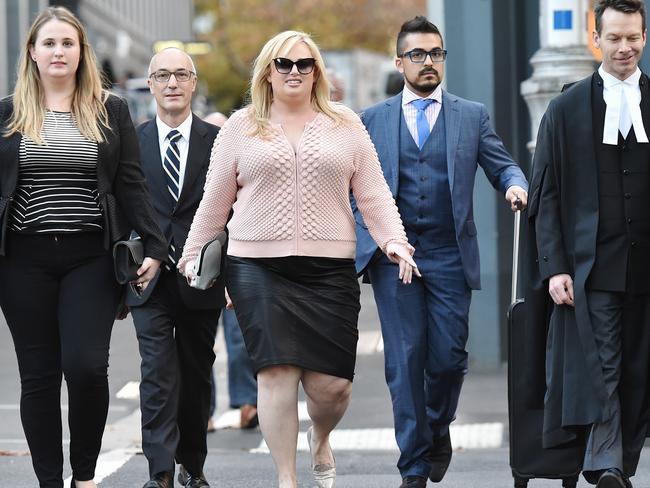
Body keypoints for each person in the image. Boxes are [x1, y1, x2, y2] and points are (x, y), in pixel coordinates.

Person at [180, 30, 418, 488]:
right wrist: (194, 255)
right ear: (268, 72)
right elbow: (215, 201)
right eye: (283, 64)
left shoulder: (345, 124)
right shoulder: (240, 126)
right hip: (255, 267)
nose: (293, 72)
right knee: (276, 373)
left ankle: (321, 436)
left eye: (303, 64)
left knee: (332, 389)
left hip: (328, 269)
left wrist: (394, 242)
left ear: (316, 73)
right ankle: (287, 480)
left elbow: (373, 194)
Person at [353, 16, 529, 488]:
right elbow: (353, 188)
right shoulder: (372, 120)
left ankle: (437, 428)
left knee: (449, 359)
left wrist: (515, 185)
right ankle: (413, 466)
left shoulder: (471, 115)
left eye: (436, 54)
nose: (428, 62)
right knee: (405, 360)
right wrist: (371, 237)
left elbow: (502, 164)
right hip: (395, 258)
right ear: (399, 62)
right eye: (417, 55)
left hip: (450, 253)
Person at [0, 6, 166, 488]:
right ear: (32, 52)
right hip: (22, 261)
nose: (58, 51)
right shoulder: (8, 112)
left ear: (81, 53)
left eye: (67, 43)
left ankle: (85, 476)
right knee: (39, 374)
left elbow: (130, 183)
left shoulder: (109, 109)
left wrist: (154, 245)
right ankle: (49, 481)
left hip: (91, 256)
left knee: (87, 366)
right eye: (49, 43)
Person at [529, 1, 650, 486]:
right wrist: (556, 266)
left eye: (634, 38)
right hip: (591, 267)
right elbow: (548, 195)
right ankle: (605, 466)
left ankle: (619, 464)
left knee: (639, 370)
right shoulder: (565, 108)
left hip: (646, 266)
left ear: (644, 37)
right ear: (595, 39)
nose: (625, 48)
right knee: (604, 367)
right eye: (615, 38)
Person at [128, 47, 225, 488]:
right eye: (162, 75)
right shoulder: (132, 140)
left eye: (180, 75)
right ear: (150, 84)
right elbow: (122, 204)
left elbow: (231, 207)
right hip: (149, 277)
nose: (171, 83)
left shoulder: (217, 141)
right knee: (157, 374)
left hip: (200, 276)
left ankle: (193, 465)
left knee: (195, 374)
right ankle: (160, 471)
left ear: (193, 81)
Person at [202, 111, 258, 432]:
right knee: (203, 337)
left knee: (240, 335)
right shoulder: (201, 166)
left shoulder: (242, 161)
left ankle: (247, 401)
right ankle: (206, 409)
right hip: (208, 259)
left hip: (238, 256)